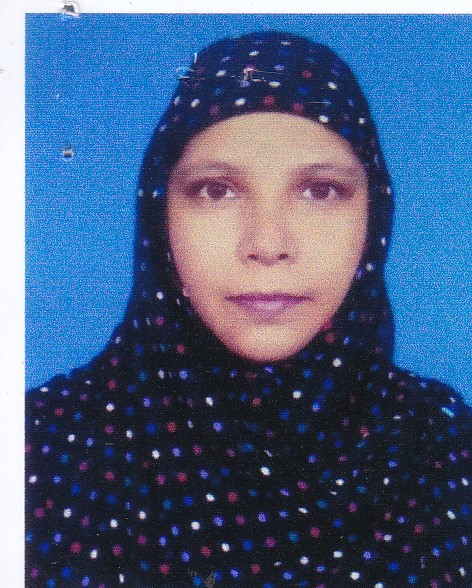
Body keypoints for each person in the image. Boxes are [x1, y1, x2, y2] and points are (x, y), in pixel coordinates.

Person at [25, 31, 471, 588]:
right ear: (161, 217)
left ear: (373, 216)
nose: (267, 243)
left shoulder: (440, 449)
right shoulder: (42, 449)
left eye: (320, 191)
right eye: (216, 191)